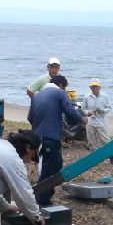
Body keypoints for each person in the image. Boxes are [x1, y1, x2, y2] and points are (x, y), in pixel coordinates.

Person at [27, 75, 88, 206]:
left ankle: (40, 197)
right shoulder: (60, 93)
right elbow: (70, 112)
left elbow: (30, 117)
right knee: (50, 170)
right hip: (50, 137)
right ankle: (41, 200)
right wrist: (81, 119)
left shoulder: (37, 96)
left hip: (36, 137)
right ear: (61, 85)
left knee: (51, 164)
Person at [83, 78, 113, 150]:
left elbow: (109, 108)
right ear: (90, 87)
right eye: (93, 86)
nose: (94, 88)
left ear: (100, 87)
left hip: (101, 121)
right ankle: (94, 157)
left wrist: (102, 111)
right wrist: (88, 112)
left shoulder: (105, 96)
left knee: (105, 140)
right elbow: (83, 109)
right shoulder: (87, 97)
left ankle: (111, 157)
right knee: (91, 142)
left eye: (96, 86)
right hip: (90, 122)